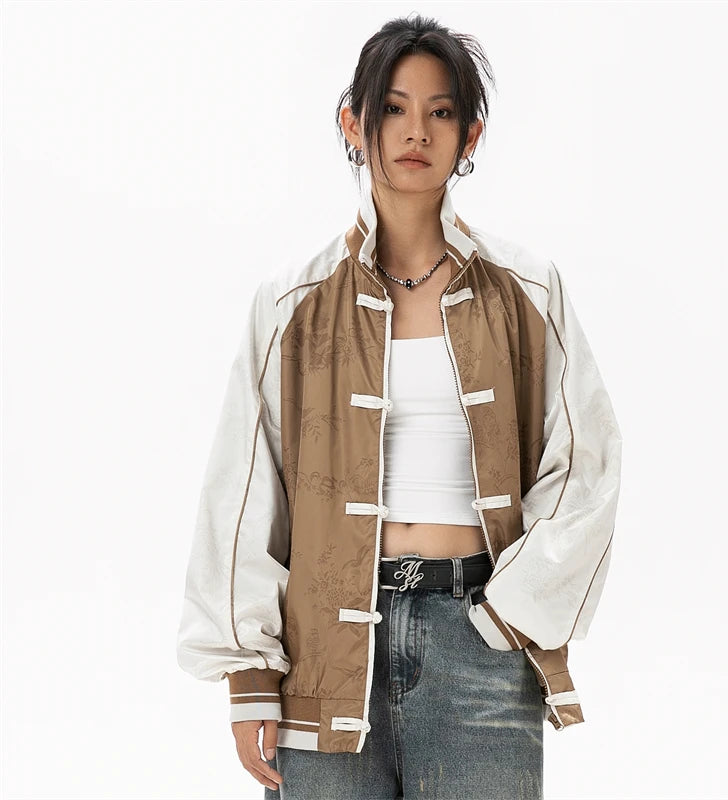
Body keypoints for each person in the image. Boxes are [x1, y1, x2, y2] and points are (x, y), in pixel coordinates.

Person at [176, 13, 622, 800]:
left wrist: (509, 616)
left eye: (441, 111)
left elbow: (587, 463)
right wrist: (249, 673)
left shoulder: (526, 291)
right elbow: (244, 490)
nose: (416, 130)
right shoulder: (291, 303)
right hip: (322, 654)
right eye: (393, 107)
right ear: (354, 122)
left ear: (470, 134)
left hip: (480, 647)